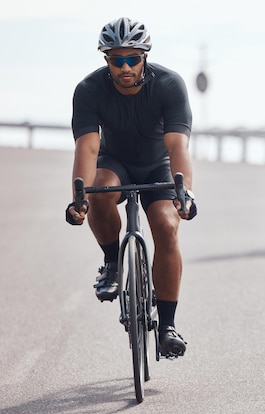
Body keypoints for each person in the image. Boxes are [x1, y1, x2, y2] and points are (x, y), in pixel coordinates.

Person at [65, 17, 196, 358]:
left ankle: (167, 326)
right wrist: (79, 199)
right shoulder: (89, 90)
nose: (125, 66)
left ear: (145, 57)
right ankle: (111, 262)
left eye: (132, 58)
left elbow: (178, 146)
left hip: (159, 165)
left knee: (167, 227)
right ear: (105, 59)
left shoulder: (169, 85)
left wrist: (185, 194)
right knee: (101, 191)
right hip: (115, 163)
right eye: (116, 59)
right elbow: (88, 149)